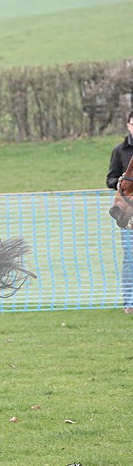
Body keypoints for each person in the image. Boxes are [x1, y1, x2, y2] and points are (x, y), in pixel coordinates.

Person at [106, 109, 133, 314]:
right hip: (128, 212)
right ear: (128, 125)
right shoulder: (120, 151)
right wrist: (121, 182)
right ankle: (129, 302)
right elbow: (110, 179)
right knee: (130, 257)